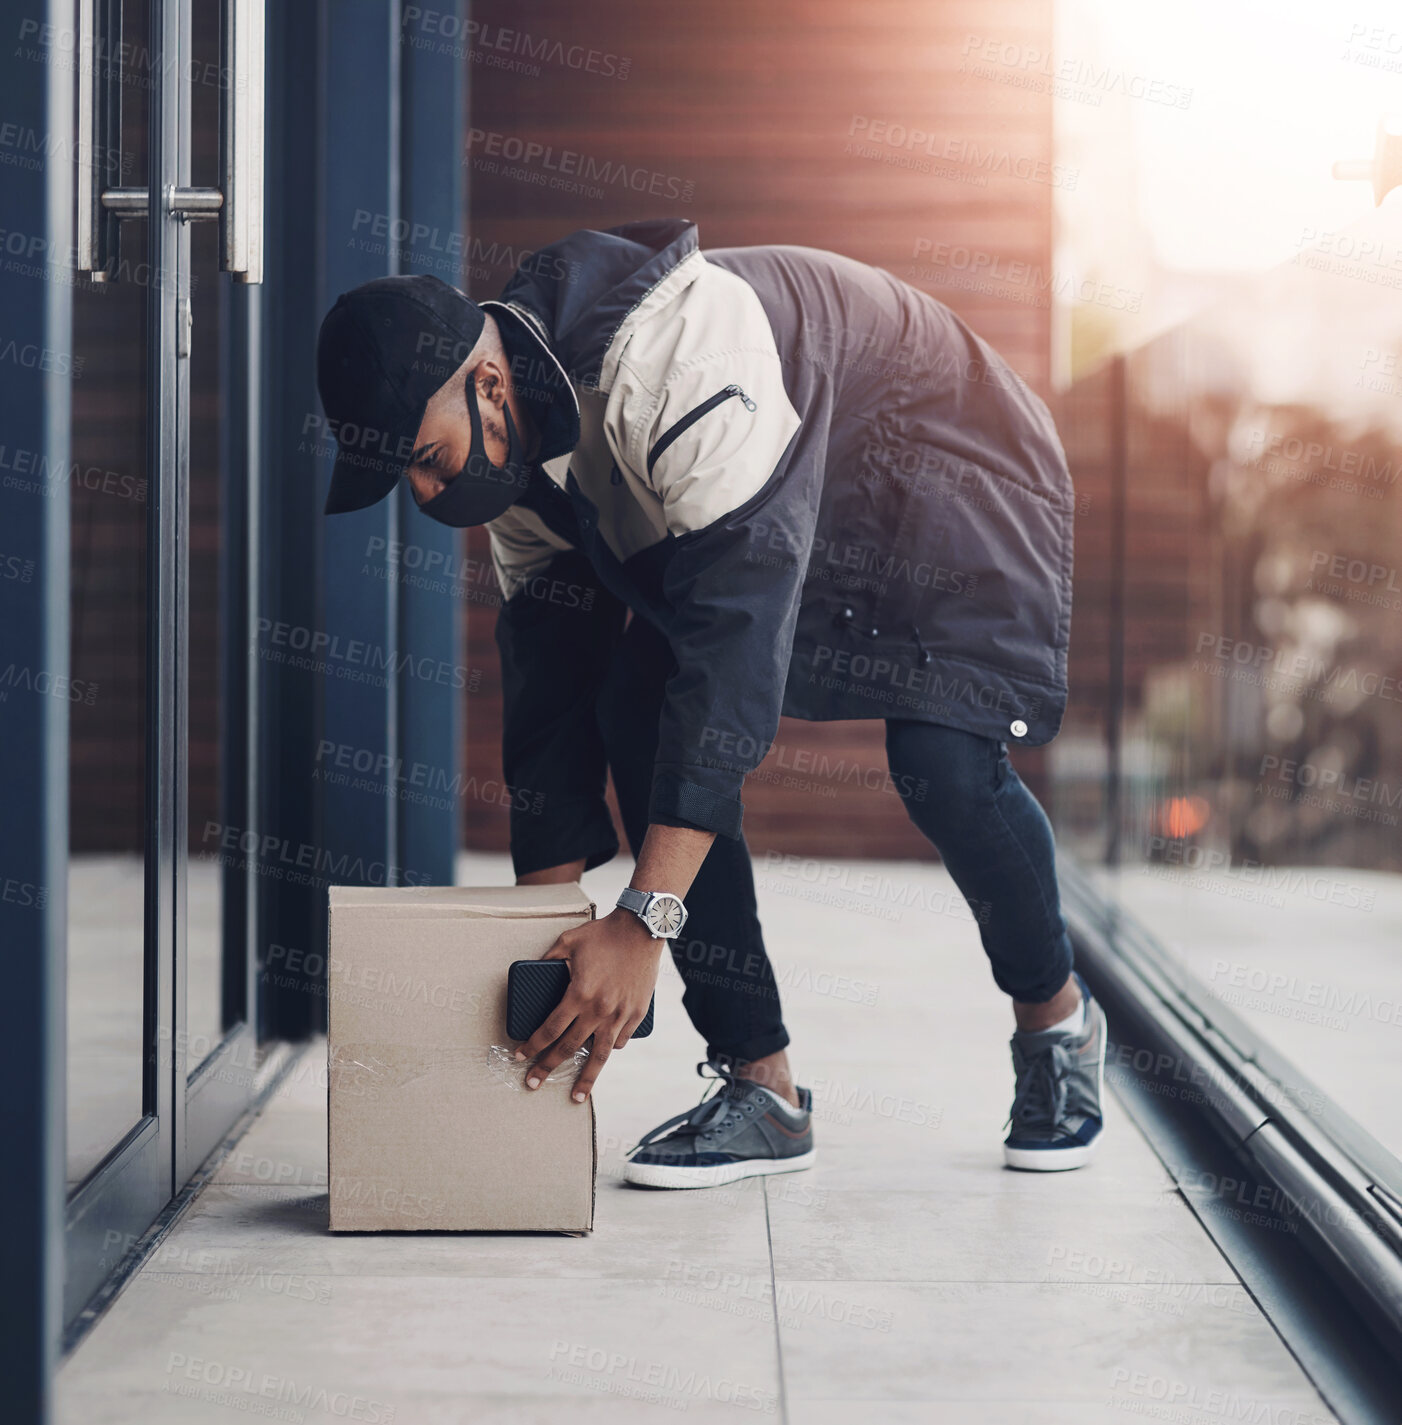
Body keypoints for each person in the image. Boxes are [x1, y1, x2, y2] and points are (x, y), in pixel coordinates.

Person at [315, 219, 1106, 1188]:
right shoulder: (510, 456)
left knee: (942, 766)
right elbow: (549, 694)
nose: (426, 491)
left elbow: (730, 658)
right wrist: (539, 952)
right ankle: (759, 1090)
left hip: (944, 464)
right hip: (788, 484)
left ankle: (1057, 1026)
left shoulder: (675, 358)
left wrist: (643, 924)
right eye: (406, 476)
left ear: (485, 385)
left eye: (427, 458)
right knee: (634, 705)